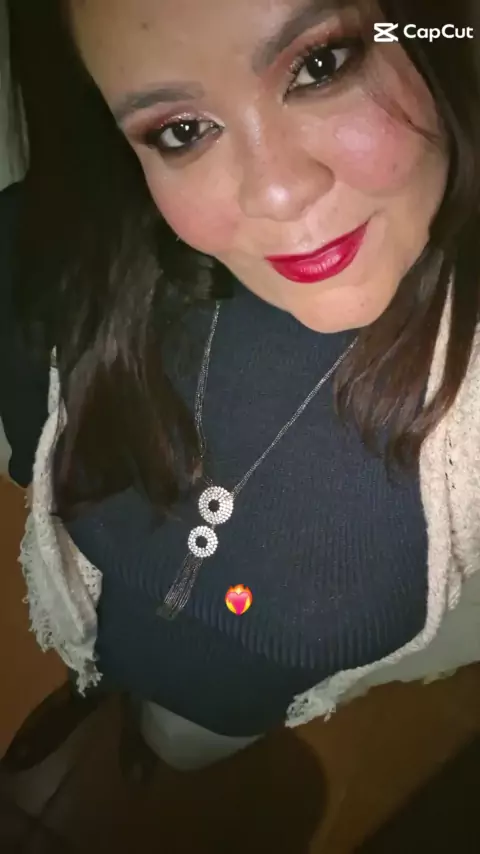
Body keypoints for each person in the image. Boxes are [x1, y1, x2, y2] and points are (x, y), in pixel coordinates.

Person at [1, 0, 480, 775]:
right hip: (94, 635)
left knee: (172, 755)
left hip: (226, 718)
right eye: (182, 130)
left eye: (320, 65)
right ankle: (88, 697)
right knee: (92, 674)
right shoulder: (67, 258)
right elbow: (34, 454)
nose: (276, 193)